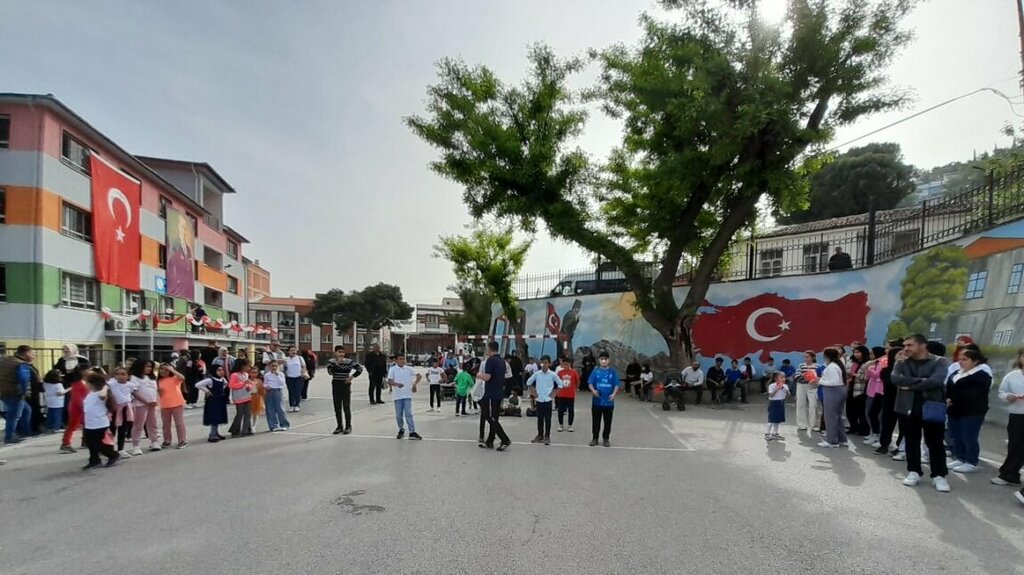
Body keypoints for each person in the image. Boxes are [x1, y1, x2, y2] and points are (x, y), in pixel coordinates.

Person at [892, 334, 950, 492]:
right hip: (907, 406)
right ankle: (914, 471)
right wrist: (923, 382)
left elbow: (936, 381)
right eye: (905, 345)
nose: (906, 348)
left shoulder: (939, 361)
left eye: (910, 345)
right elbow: (895, 379)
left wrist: (909, 385)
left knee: (935, 442)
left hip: (932, 406)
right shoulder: (902, 362)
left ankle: (939, 475)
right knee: (911, 440)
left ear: (922, 346)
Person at [946, 348, 992, 474]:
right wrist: (948, 398)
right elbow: (948, 388)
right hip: (954, 410)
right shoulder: (956, 373)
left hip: (972, 412)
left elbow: (973, 395)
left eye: (965, 359)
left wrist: (953, 399)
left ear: (975, 361)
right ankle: (960, 457)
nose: (961, 362)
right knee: (955, 435)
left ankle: (971, 461)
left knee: (969, 436)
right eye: (960, 359)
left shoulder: (981, 376)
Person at [992, 349, 1024, 489]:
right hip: (1017, 414)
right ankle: (1011, 474)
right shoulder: (1012, 376)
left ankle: (1009, 473)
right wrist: (1007, 397)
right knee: (1014, 444)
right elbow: (1002, 392)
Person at [81, 372, 119, 470]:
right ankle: (94, 460)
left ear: (92, 384)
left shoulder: (101, 393)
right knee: (89, 443)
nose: (86, 385)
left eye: (87, 383)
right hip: (89, 423)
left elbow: (102, 395)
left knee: (100, 444)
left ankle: (113, 455)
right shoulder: (90, 394)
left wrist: (105, 386)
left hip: (100, 423)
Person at [477, 341, 511, 450]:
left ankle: (504, 439)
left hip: (491, 393)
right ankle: (490, 441)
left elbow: (487, 377)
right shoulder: (502, 361)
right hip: (499, 392)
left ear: (490, 349)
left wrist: (479, 375)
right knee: (494, 417)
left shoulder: (490, 361)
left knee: (489, 416)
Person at [1, 345, 35, 444]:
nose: (33, 356)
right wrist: (24, 392)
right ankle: (9, 437)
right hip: (15, 393)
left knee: (26, 410)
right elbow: (23, 380)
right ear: (26, 353)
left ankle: (26, 432)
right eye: (32, 354)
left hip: (4, 391)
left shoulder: (6, 360)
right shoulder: (21, 364)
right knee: (14, 415)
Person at [588, 351, 621, 447]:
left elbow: (616, 385)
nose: (603, 361)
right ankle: (595, 438)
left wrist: (614, 394)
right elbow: (590, 383)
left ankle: (606, 439)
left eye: (605, 359)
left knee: (608, 422)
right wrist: (593, 391)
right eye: (602, 359)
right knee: (596, 421)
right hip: (597, 402)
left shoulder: (613, 372)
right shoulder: (595, 371)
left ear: (608, 360)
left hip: (608, 403)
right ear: (599, 360)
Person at [327, 348, 363, 435]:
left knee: (346, 406)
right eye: (339, 352)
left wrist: (351, 377)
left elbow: (360, 369)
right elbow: (330, 372)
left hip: (345, 384)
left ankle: (348, 426)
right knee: (337, 406)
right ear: (335, 353)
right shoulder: (331, 361)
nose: (341, 354)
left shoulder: (349, 361)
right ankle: (339, 426)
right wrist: (337, 363)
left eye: (343, 352)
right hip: (336, 384)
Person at [817, 347, 848, 448]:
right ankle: (842, 439)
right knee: (837, 416)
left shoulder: (832, 367)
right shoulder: (836, 365)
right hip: (838, 391)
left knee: (830, 417)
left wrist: (819, 381)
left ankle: (832, 441)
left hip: (833, 391)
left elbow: (833, 382)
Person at [387, 354, 423, 440]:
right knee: (399, 415)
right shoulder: (393, 369)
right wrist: (397, 384)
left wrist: (415, 384)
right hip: (398, 396)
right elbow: (389, 381)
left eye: (404, 359)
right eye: (400, 359)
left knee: (408, 414)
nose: (402, 361)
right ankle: (401, 429)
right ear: (396, 360)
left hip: (407, 395)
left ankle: (412, 432)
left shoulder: (408, 369)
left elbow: (419, 375)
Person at [128, 360, 160, 454]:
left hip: (153, 404)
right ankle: (136, 445)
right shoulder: (135, 377)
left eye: (150, 367)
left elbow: (155, 390)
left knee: (153, 423)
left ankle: (154, 441)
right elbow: (134, 391)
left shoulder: (152, 377)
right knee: (139, 424)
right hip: (141, 404)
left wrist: (156, 400)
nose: (149, 369)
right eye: (147, 366)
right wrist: (146, 402)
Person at [526, 355, 560, 445]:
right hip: (539, 399)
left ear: (549, 363)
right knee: (539, 418)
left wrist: (554, 393)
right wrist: (533, 392)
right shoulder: (537, 374)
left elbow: (560, 384)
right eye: (542, 363)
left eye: (545, 363)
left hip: (548, 400)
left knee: (548, 419)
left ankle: (547, 436)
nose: (543, 365)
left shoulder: (553, 374)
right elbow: (528, 382)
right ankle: (540, 435)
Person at [60, 364, 90, 454]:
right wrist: (84, 406)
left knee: (87, 424)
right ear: (81, 371)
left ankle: (85, 441)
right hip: (76, 407)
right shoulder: (77, 383)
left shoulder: (86, 381)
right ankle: (66, 443)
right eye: (86, 370)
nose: (88, 371)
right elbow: (77, 397)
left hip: (84, 406)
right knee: (73, 425)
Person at [157, 363, 188, 449]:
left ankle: (182, 440)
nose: (163, 371)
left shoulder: (174, 378)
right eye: (161, 369)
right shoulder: (158, 380)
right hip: (164, 405)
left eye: (166, 369)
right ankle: (167, 440)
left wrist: (172, 370)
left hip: (177, 403)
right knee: (166, 424)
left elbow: (182, 378)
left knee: (179, 423)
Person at [195, 364, 229, 442]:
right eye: (219, 370)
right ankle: (212, 435)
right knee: (214, 418)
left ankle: (216, 433)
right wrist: (207, 391)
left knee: (218, 417)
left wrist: (222, 390)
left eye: (222, 370)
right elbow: (198, 385)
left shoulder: (222, 379)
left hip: (220, 400)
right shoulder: (210, 380)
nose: (221, 372)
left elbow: (226, 384)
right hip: (213, 401)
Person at [106, 367, 135, 458]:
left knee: (122, 429)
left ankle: (121, 449)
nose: (120, 376)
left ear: (127, 376)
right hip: (114, 408)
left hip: (125, 408)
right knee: (112, 429)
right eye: (117, 374)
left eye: (123, 374)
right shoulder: (111, 384)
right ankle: (109, 449)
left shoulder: (130, 385)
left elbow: (136, 394)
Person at [863, 346, 887, 445]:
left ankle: (878, 434)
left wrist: (869, 368)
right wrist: (868, 368)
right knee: (868, 412)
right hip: (871, 390)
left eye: (872, 354)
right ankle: (873, 432)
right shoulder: (874, 363)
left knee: (876, 414)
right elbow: (867, 376)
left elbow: (877, 375)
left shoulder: (883, 362)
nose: (871, 356)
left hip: (877, 391)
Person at [846, 345, 871, 436]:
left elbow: (867, 378)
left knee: (860, 411)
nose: (856, 354)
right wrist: (849, 375)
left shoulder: (868, 363)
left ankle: (863, 429)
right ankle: (853, 427)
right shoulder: (853, 362)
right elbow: (849, 373)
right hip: (850, 388)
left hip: (860, 390)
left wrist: (855, 375)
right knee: (850, 410)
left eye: (858, 352)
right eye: (855, 352)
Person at [227, 359, 254, 438]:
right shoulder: (234, 375)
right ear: (242, 366)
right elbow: (231, 385)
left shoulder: (245, 374)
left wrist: (249, 387)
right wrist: (243, 383)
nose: (249, 368)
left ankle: (247, 429)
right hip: (239, 397)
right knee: (240, 414)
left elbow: (249, 383)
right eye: (247, 366)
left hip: (247, 396)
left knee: (248, 414)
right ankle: (235, 430)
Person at [795, 351, 820, 432]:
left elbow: (820, 376)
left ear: (813, 357)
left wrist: (814, 378)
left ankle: (814, 425)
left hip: (812, 386)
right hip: (801, 385)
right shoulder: (801, 365)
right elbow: (796, 375)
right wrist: (803, 375)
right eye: (805, 357)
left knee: (813, 405)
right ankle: (802, 424)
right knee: (800, 404)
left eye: (807, 357)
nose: (806, 359)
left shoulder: (817, 366)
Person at [262, 360, 291, 432]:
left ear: (278, 366)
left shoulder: (281, 374)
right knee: (270, 409)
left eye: (275, 366)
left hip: (278, 391)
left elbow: (282, 383)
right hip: (269, 391)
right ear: (269, 367)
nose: (274, 367)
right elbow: (264, 383)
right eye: (272, 366)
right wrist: (266, 386)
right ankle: (273, 425)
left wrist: (277, 375)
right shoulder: (267, 375)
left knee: (280, 408)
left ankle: (284, 424)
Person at [555, 357, 579, 432]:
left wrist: (575, 389)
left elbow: (577, 381)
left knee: (571, 410)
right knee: (560, 410)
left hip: (570, 395)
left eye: (567, 364)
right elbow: (557, 382)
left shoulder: (574, 372)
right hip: (561, 395)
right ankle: (560, 424)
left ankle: (570, 425)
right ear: (562, 364)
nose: (566, 366)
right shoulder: (560, 373)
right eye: (564, 364)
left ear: (570, 364)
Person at [282, 345, 309, 412]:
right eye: (291, 350)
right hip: (289, 377)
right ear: (288, 351)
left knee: (298, 391)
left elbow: (304, 366)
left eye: (294, 350)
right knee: (291, 392)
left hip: (299, 377)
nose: (293, 352)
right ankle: (291, 405)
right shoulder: (286, 359)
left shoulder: (300, 358)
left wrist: (304, 373)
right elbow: (284, 368)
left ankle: (297, 405)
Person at [765, 372, 790, 441]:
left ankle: (775, 433)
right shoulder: (772, 386)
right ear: (776, 379)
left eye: (784, 377)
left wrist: (784, 389)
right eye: (781, 377)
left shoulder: (785, 386)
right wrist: (777, 389)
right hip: (773, 403)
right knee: (771, 419)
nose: (783, 379)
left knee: (778, 420)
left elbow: (788, 395)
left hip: (781, 403)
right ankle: (767, 433)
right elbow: (771, 395)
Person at [250, 367, 266, 432]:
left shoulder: (259, 381)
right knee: (249, 413)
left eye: (255, 373)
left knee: (256, 413)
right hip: (249, 398)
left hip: (257, 398)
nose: (254, 374)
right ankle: (250, 426)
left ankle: (254, 426)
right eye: (252, 373)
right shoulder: (247, 381)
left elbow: (262, 391)